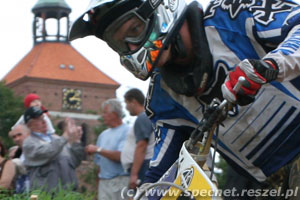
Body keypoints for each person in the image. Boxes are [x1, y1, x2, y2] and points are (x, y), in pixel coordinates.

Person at [70, 0, 300, 199]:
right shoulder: (163, 98)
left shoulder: (236, 13)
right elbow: (163, 174)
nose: (131, 47)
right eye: (120, 43)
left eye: (135, 29)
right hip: (265, 183)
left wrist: (271, 66)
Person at [22, 106, 85, 192]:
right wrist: (66, 135)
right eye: (39, 119)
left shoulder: (57, 139)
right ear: (30, 125)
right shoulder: (29, 143)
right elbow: (48, 152)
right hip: (47, 195)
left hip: (68, 193)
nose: (44, 121)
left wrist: (77, 141)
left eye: (43, 117)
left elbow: (74, 162)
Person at [85, 98, 130, 200]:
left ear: (114, 114)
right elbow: (99, 166)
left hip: (120, 182)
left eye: (105, 112)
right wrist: (97, 189)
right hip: (103, 183)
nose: (102, 116)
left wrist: (98, 150)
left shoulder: (127, 131)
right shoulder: (103, 135)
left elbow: (121, 156)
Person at [122, 88, 155, 190]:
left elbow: (142, 146)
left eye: (127, 103)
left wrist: (134, 174)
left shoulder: (142, 118)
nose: (126, 107)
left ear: (133, 102)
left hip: (143, 166)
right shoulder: (147, 117)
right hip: (144, 165)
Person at [8, 124, 30, 193]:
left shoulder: (36, 149)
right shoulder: (18, 153)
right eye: (14, 137)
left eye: (19, 135)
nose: (17, 139)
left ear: (28, 134)